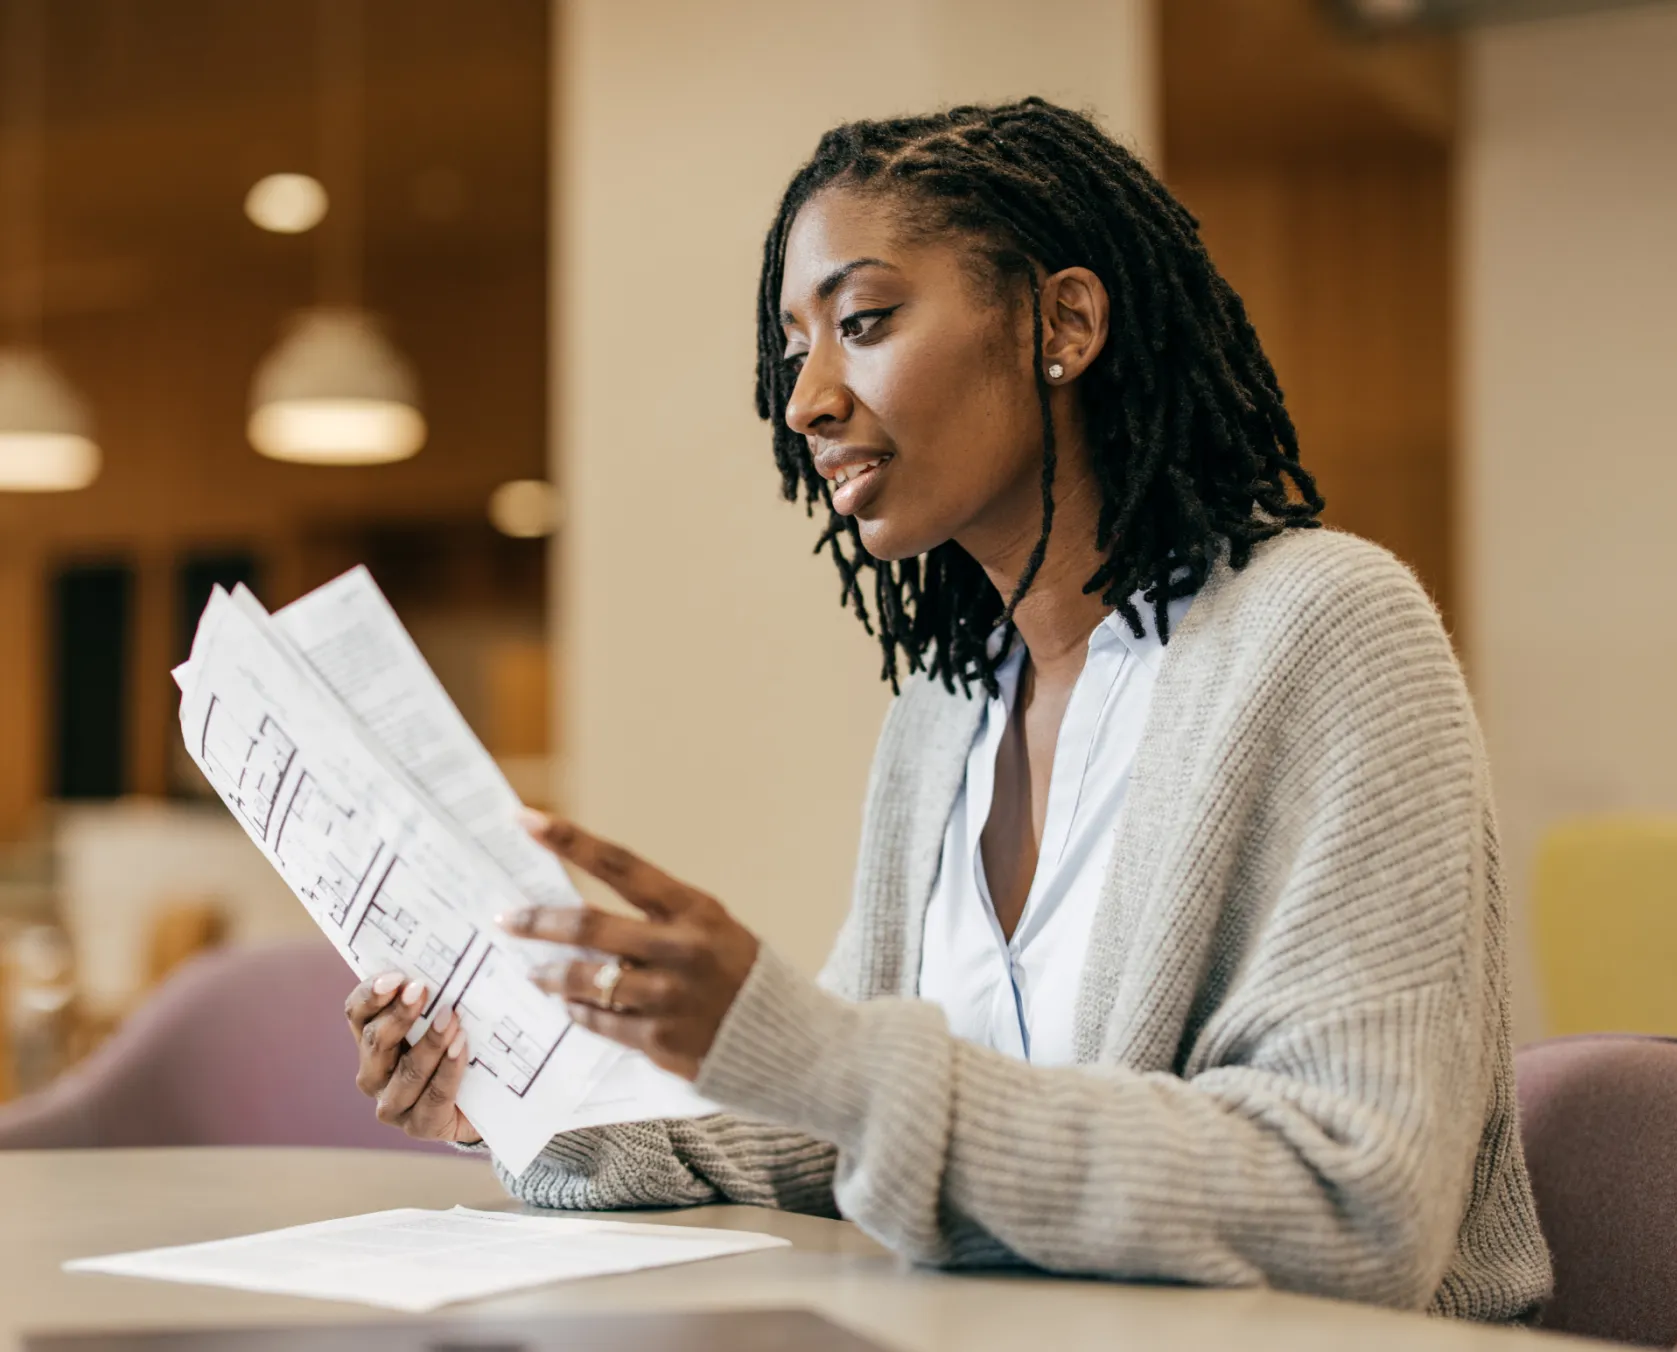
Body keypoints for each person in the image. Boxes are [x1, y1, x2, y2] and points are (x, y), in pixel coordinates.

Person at [343, 98, 1553, 1318]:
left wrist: (816, 1050)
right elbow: (846, 1128)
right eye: (794, 350)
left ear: (1062, 323)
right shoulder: (944, 710)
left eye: (863, 323)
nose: (807, 401)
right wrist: (526, 1098)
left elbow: (1354, 1204)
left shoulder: (1326, 628)